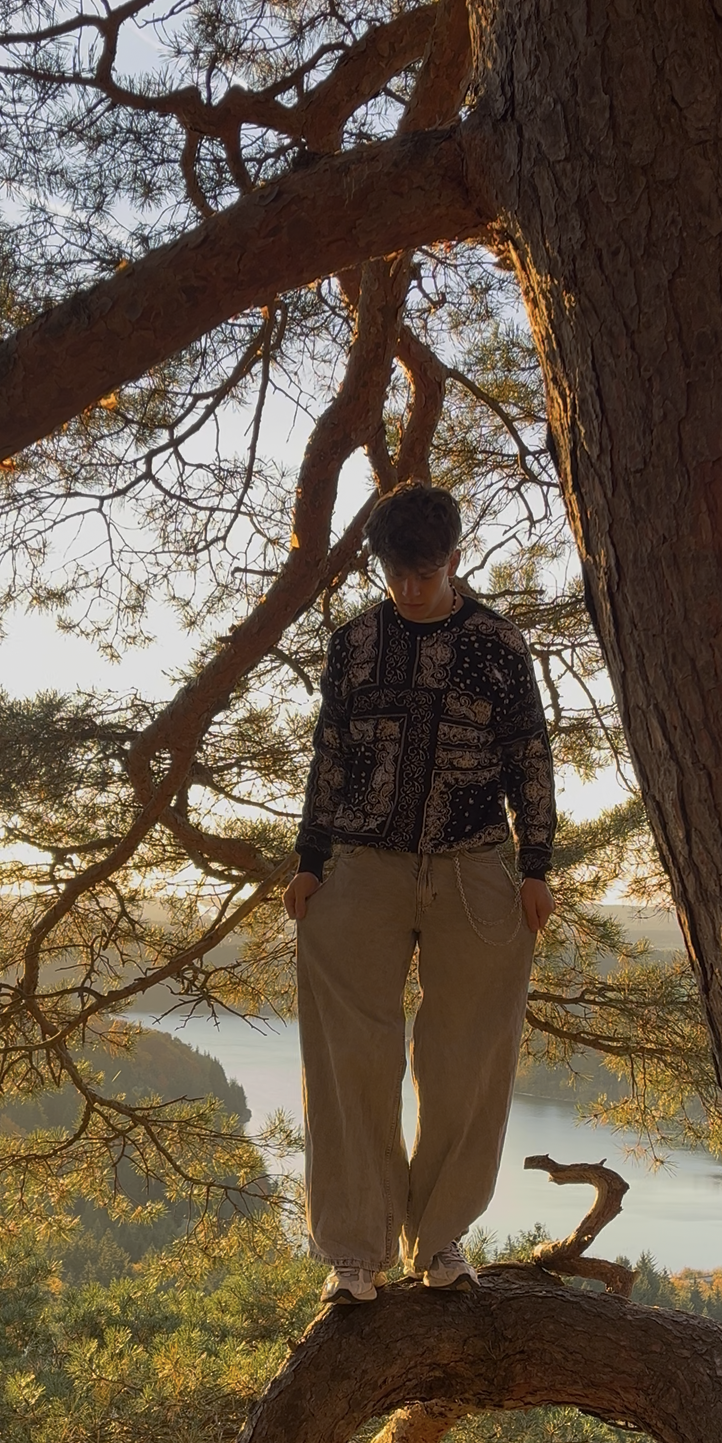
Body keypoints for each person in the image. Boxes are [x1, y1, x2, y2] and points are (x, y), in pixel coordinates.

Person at [284, 481, 556, 1304]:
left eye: (425, 572)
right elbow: (331, 754)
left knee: (466, 1059)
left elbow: (530, 755)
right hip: (361, 867)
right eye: (397, 572)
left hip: (475, 868)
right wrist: (310, 858)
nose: (409, 587)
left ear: (455, 559)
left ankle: (439, 1241)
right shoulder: (354, 643)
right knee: (349, 1058)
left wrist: (537, 865)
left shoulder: (498, 645)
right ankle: (354, 1253)